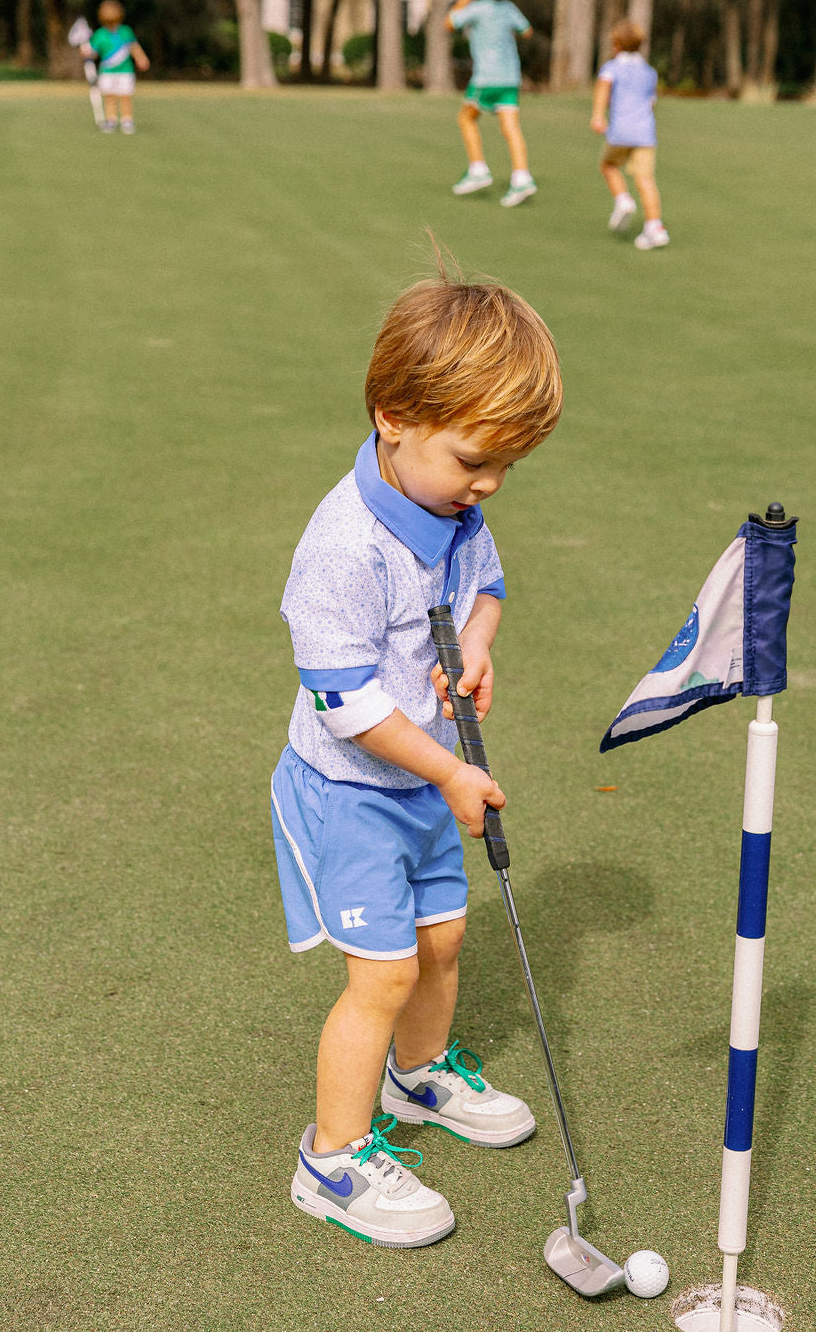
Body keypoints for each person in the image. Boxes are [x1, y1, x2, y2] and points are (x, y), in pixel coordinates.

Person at [271, 265, 563, 1248]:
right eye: (476, 460)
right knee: (383, 975)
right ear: (394, 417)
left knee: (442, 941)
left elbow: (487, 586)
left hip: (424, 779)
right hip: (353, 789)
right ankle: (333, 1158)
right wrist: (446, 770)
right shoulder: (341, 548)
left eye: (504, 470)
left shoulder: (453, 514)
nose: (486, 487)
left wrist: (476, 642)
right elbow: (346, 706)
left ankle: (419, 1073)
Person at [445, 0, 537, 207]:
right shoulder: (508, 8)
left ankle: (478, 170)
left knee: (466, 118)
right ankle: (521, 177)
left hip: (486, 77)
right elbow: (526, 31)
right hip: (510, 78)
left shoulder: (476, 8)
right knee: (511, 127)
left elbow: (449, 23)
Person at [590, 20, 669, 249]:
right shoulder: (649, 72)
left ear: (616, 44)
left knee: (608, 165)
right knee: (645, 179)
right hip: (645, 133)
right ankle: (655, 227)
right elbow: (651, 102)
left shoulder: (611, 68)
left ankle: (623, 199)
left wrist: (597, 116)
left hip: (620, 131)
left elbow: (602, 91)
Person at [80, 0, 150, 134]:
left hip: (125, 71)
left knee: (125, 96)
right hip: (107, 71)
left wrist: (141, 58)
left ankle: (127, 120)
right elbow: (93, 53)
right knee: (109, 97)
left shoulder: (125, 31)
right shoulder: (100, 34)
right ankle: (111, 120)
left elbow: (134, 47)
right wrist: (85, 51)